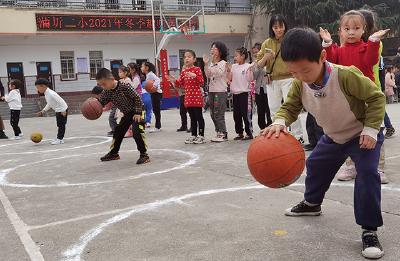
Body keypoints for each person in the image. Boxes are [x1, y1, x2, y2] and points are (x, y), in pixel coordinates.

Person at [261, 27, 386, 259]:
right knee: (316, 165)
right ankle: (312, 203)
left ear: (322, 57)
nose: (300, 76)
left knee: (367, 173)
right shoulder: (300, 83)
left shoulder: (346, 75)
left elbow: (376, 98)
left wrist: (371, 129)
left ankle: (369, 229)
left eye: (305, 70)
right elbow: (290, 107)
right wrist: (279, 121)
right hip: (334, 135)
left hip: (362, 134)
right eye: (293, 72)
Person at [320, 10, 389, 183]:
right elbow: (331, 61)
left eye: (356, 28)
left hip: (368, 98)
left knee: (374, 131)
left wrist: (374, 41)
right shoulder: (339, 50)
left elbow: (371, 61)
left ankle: (378, 168)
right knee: (351, 132)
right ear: (340, 31)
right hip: (348, 99)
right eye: (347, 28)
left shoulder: (367, 48)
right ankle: (351, 166)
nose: (351, 32)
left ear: (363, 29)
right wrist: (328, 43)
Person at [257, 14, 303, 142]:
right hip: (272, 80)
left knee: (292, 108)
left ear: (285, 26)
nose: (278, 30)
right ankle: (279, 136)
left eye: (281, 26)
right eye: (275, 27)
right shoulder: (267, 43)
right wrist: (266, 57)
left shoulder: (291, 41)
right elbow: (259, 65)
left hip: (290, 78)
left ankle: (297, 136)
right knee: (274, 109)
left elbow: (299, 57)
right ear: (271, 28)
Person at [96, 68, 149, 164]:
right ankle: (114, 153)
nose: (103, 87)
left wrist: (137, 113)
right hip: (127, 113)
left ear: (111, 79)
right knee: (118, 132)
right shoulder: (106, 91)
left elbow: (137, 98)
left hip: (138, 111)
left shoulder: (124, 86)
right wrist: (95, 105)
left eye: (104, 84)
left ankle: (144, 154)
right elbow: (101, 102)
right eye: (100, 85)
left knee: (137, 132)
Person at [168, 50, 206, 144]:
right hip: (188, 98)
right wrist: (173, 81)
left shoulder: (197, 69)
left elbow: (202, 82)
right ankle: (193, 135)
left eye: (189, 57)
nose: (186, 59)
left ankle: (201, 135)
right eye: (185, 57)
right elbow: (180, 84)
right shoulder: (184, 71)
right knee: (192, 117)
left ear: (194, 59)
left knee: (199, 117)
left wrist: (195, 76)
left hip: (196, 97)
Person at [203, 41, 229, 142]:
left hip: (220, 91)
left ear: (220, 51)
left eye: (215, 48)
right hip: (212, 90)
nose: (212, 50)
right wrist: (206, 65)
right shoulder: (212, 63)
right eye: (212, 48)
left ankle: (223, 133)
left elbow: (219, 73)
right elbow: (208, 75)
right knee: (212, 113)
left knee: (219, 113)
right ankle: (218, 132)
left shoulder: (223, 63)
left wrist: (214, 63)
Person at [227, 47, 254, 140]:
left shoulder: (248, 66)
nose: (234, 57)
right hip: (235, 93)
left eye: (236, 55)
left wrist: (250, 70)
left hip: (245, 93)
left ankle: (249, 133)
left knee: (246, 114)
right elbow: (229, 79)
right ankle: (239, 132)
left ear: (242, 56)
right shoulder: (233, 66)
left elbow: (250, 79)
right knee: (236, 115)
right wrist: (229, 70)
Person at [35, 78, 68, 145]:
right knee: (59, 124)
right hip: (58, 110)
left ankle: (60, 139)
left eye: (38, 88)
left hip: (61, 110)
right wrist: (43, 111)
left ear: (43, 86)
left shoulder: (51, 93)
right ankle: (59, 138)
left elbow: (61, 101)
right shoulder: (46, 93)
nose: (37, 90)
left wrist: (63, 110)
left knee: (61, 125)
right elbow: (49, 103)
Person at [250, 43, 272, 130]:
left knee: (269, 110)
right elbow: (254, 76)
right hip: (259, 89)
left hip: (269, 89)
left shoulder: (270, 61)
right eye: (254, 53)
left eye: (257, 52)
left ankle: (270, 127)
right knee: (260, 110)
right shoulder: (254, 64)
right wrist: (257, 65)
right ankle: (262, 129)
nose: (255, 54)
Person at [141, 62, 162, 132]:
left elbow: (158, 79)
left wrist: (154, 86)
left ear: (146, 68)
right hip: (154, 93)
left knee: (156, 110)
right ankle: (158, 126)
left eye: (142, 66)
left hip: (156, 93)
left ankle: (158, 127)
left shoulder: (150, 74)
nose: (141, 68)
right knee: (156, 110)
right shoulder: (148, 74)